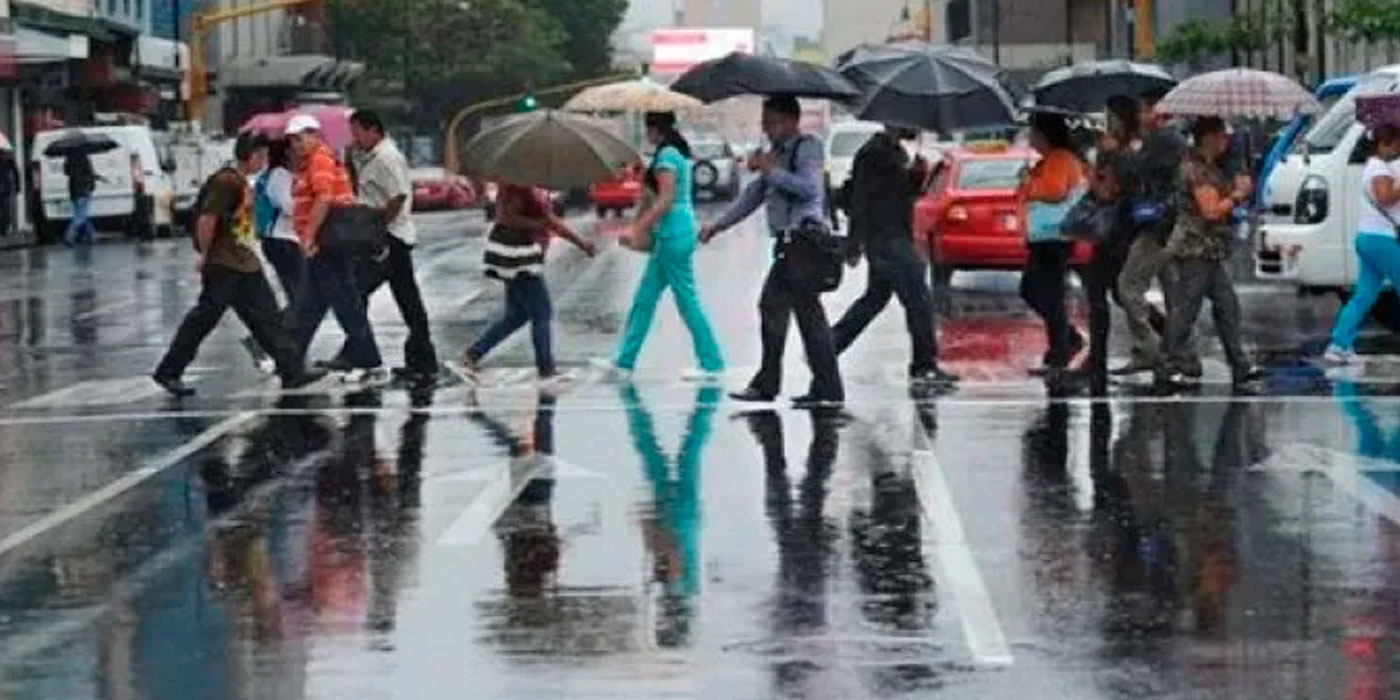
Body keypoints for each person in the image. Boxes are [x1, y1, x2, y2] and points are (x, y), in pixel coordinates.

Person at [152, 133, 324, 397]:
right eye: (263, 156)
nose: (265, 161)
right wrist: (205, 255)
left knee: (267, 317)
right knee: (204, 318)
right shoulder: (225, 181)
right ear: (252, 155)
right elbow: (207, 220)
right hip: (224, 262)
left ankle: (292, 370)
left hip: (244, 261)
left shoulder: (242, 181)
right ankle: (169, 370)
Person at [700, 94, 843, 408]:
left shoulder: (808, 147)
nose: (767, 130)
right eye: (764, 123)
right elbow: (753, 195)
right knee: (794, 313)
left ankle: (798, 386)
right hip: (787, 244)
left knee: (788, 311)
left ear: (792, 120)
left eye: (772, 123)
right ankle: (820, 387)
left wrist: (770, 170)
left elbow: (809, 189)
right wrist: (718, 225)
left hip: (804, 241)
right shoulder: (775, 153)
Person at [831, 123, 957, 386]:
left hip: (894, 234)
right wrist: (854, 243)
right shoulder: (873, 153)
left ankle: (828, 347)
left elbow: (899, 194)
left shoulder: (894, 151)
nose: (914, 126)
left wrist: (916, 176)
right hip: (885, 238)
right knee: (919, 300)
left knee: (874, 299)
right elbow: (861, 198)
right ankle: (925, 366)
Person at [607, 111, 724, 379]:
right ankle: (624, 361)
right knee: (644, 299)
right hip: (671, 234)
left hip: (674, 233)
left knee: (686, 300)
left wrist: (638, 227)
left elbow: (666, 199)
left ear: (654, 129)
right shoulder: (670, 153)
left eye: (648, 128)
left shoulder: (668, 155)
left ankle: (711, 364)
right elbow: (655, 195)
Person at [1157, 117, 1265, 389]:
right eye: (1222, 136)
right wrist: (1237, 195)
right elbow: (1211, 210)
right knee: (1186, 311)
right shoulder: (1196, 169)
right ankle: (1167, 365)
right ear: (1208, 138)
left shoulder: (1210, 168)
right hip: (1196, 248)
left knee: (1227, 306)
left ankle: (1239, 364)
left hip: (1210, 250)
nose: (1226, 143)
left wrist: (1238, 183)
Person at [284, 114, 385, 382]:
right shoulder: (310, 162)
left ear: (314, 135)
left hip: (328, 244)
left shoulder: (320, 159)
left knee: (345, 303)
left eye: (300, 137)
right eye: (292, 140)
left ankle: (369, 360)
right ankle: (291, 363)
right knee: (310, 304)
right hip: (323, 244)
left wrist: (309, 235)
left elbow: (324, 198)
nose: (296, 144)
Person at [460, 183, 596, 382]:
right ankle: (546, 368)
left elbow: (548, 220)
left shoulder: (526, 185)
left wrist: (553, 225)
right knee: (542, 312)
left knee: (517, 315)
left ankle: (474, 354)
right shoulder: (518, 185)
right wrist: (545, 225)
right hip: (519, 256)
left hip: (519, 255)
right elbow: (507, 217)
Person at [345, 109, 441, 385]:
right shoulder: (370, 156)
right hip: (386, 236)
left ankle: (359, 352)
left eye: (358, 132)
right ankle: (422, 359)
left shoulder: (387, 157)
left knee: (355, 292)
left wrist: (378, 229)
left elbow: (398, 196)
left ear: (374, 130)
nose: (356, 139)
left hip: (389, 237)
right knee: (406, 299)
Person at [1114, 88, 1192, 376]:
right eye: (1140, 110)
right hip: (1167, 224)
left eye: (1146, 110)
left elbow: (1136, 172)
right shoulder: (1166, 140)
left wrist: (1124, 153)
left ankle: (1147, 348)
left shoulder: (1164, 140)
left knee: (1128, 286)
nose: (1141, 116)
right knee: (1174, 291)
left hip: (1160, 225)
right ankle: (1183, 354)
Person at [1075, 95, 1141, 394]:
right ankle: (1098, 356)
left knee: (1105, 293)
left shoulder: (1123, 154)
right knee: (1114, 292)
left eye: (1111, 116)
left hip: (1117, 231)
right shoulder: (1117, 151)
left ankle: (1099, 358)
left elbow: (1105, 192)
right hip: (1117, 231)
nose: (1107, 122)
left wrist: (1091, 173)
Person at [1325, 124, 1400, 365]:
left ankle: (1339, 345)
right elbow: (1385, 198)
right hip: (1381, 239)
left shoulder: (1374, 165)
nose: (1399, 148)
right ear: (1384, 144)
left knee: (1364, 295)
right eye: (1396, 144)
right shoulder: (1379, 167)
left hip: (1367, 237)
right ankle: (1339, 345)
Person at [1019, 112, 1086, 379]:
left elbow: (1054, 191)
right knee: (1038, 291)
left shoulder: (1059, 158)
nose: (1030, 137)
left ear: (1045, 134)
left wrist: (1029, 183)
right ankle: (1064, 342)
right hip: (1047, 237)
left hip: (1053, 237)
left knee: (1043, 293)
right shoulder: (1052, 159)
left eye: (1033, 132)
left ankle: (1061, 349)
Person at [62, 151, 98, 246]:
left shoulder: (68, 158)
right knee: (81, 216)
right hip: (84, 189)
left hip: (73, 190)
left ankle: (91, 236)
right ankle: (69, 236)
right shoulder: (84, 158)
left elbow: (66, 172)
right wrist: (92, 186)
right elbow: (90, 173)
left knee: (81, 214)